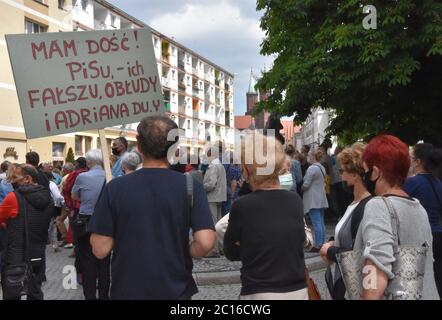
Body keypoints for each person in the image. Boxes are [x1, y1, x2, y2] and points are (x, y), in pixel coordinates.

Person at [89, 116, 215, 300]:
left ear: (138, 146)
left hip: (128, 289)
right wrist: (185, 251)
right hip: (176, 289)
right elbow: (205, 242)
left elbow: (100, 249)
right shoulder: (190, 186)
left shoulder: (115, 188)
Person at [352, 135, 439, 300]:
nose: (365, 177)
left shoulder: (378, 205)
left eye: (366, 171)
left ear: (376, 172)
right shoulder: (419, 208)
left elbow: (376, 269)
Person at [224, 132, 307, 300]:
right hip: (297, 289)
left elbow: (230, 251)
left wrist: (251, 246)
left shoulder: (242, 205)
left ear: (247, 172)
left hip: (259, 291)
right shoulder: (295, 200)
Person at [319, 143, 372, 299]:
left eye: (342, 171)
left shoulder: (367, 205)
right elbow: (347, 236)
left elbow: (359, 252)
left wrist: (329, 251)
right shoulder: (354, 203)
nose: (340, 175)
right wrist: (331, 243)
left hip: (353, 286)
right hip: (344, 281)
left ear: (355, 174)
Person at [0, 164, 53, 300]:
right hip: (38, 253)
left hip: (15, 255)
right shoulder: (49, 198)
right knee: (35, 292)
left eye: (16, 178)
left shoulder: (13, 197)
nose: (12, 181)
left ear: (28, 179)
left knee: (12, 293)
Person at [404, 143, 442, 297]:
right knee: (438, 279)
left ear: (418, 161)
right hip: (439, 233)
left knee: (421, 282)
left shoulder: (412, 183)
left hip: (422, 237)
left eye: (411, 158)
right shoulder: (438, 182)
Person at [72, 150, 108, 300]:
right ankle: (105, 296)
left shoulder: (82, 177)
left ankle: (90, 296)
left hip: (87, 222)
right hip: (106, 222)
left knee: (88, 263)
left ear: (89, 162)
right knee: (105, 262)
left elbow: (74, 196)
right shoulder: (111, 177)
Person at [302, 149, 329, 252]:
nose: (307, 157)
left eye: (309, 155)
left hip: (313, 199)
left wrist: (302, 189)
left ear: (313, 156)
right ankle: (321, 243)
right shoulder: (321, 167)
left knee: (316, 222)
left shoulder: (312, 168)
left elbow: (306, 184)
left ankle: (318, 245)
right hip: (321, 198)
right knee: (321, 222)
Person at [203, 143, 227, 257]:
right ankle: (221, 247)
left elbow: (211, 184)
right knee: (218, 224)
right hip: (220, 197)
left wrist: (201, 186)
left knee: (213, 224)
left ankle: (214, 250)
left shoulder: (213, 166)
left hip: (212, 197)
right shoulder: (221, 165)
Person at [222, 152, 241, 216]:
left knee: (227, 212)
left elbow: (234, 183)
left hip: (230, 191)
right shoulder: (238, 168)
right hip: (237, 192)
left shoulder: (230, 168)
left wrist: (232, 195)